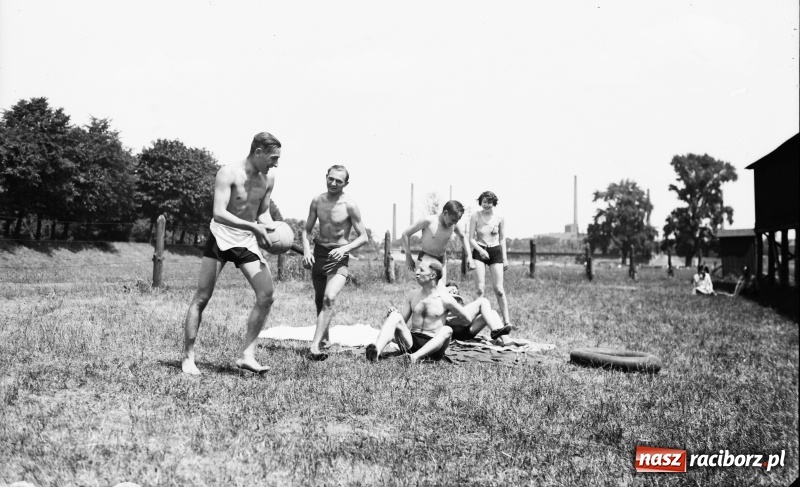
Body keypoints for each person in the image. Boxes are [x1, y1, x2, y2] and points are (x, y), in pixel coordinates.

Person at [182, 132, 282, 375]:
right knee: (202, 297)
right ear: (258, 152)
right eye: (273, 158)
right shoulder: (227, 173)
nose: (276, 164)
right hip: (221, 237)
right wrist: (253, 227)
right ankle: (188, 357)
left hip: (246, 241)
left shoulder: (268, 179)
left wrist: (275, 231)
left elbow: (263, 213)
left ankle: (247, 355)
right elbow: (219, 213)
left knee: (267, 295)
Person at [302, 165, 368, 360]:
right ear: (326, 177)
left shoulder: (350, 205)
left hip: (338, 258)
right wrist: (306, 250)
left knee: (329, 298)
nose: (333, 183)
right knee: (319, 300)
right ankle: (325, 340)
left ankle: (314, 347)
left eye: (338, 181)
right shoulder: (317, 201)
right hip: (319, 254)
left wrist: (344, 249)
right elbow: (306, 230)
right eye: (330, 178)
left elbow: (363, 237)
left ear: (346, 183)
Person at [365, 261, 471, 364]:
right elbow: (402, 321)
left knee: (447, 329)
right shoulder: (413, 295)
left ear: (433, 275)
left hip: (433, 346)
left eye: (421, 270)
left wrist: (446, 320)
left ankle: (414, 358)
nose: (417, 272)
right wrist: (395, 314)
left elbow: (467, 320)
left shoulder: (446, 299)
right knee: (395, 316)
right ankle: (375, 353)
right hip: (411, 342)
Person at [401, 200, 474, 286]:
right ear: (445, 213)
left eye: (457, 221)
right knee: (428, 289)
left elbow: (463, 237)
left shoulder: (453, 225)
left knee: (441, 289)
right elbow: (405, 234)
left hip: (441, 261)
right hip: (426, 259)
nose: (454, 223)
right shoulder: (428, 221)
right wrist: (408, 257)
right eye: (453, 220)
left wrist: (469, 257)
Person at [468, 191, 511, 327]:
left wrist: (504, 258)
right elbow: (471, 239)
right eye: (484, 202)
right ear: (481, 202)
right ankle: (473, 323)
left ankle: (507, 322)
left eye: (490, 202)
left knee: (499, 290)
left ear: (494, 203)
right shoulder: (475, 216)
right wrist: (481, 251)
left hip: (495, 251)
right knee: (479, 289)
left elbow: (502, 238)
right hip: (479, 251)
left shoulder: (500, 217)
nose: (487, 205)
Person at [443, 283, 512, 341]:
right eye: (451, 289)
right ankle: (494, 329)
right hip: (452, 331)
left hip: (466, 333)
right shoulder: (441, 299)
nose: (453, 291)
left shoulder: (458, 303)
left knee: (492, 313)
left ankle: (506, 339)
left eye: (455, 291)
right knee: (483, 301)